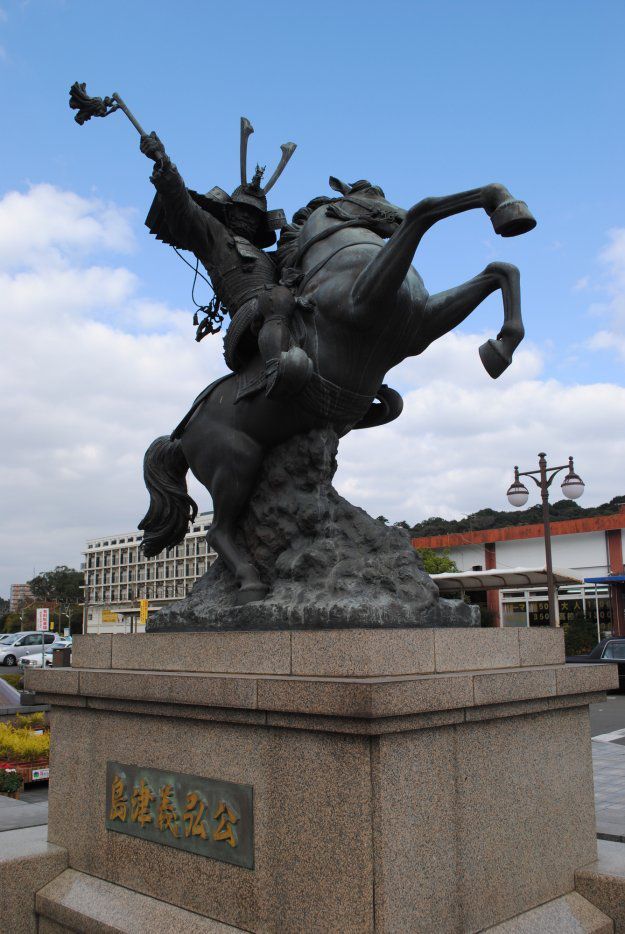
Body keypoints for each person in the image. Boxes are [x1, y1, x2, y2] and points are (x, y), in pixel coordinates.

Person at [140, 131, 312, 399]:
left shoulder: (268, 257)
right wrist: (165, 164)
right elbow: (183, 206)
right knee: (278, 297)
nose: (247, 219)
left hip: (280, 310)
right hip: (247, 316)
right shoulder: (215, 236)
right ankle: (275, 369)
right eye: (241, 212)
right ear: (228, 213)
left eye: (254, 216)